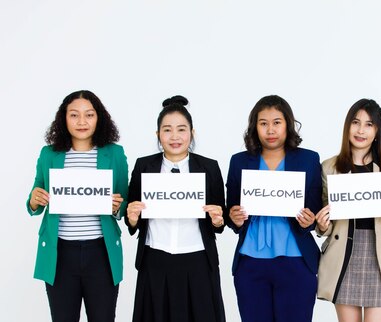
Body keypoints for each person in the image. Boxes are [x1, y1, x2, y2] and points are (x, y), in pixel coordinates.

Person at [26, 90, 128, 322]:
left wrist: (117, 206)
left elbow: (126, 203)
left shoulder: (114, 154)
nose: (82, 121)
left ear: (98, 118)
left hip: (101, 253)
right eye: (74, 115)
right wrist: (34, 199)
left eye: (89, 115)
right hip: (59, 253)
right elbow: (35, 197)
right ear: (64, 119)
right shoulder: (49, 154)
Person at [125, 95, 226, 322]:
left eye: (181, 129)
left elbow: (221, 220)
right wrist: (132, 218)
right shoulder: (144, 166)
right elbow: (132, 218)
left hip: (198, 260)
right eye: (167, 130)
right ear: (158, 135)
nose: (175, 137)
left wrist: (218, 220)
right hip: (155, 259)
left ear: (192, 133)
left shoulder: (209, 167)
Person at [225, 95, 323, 322]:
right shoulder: (239, 161)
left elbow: (316, 209)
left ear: (288, 124)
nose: (270, 130)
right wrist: (235, 218)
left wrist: (310, 220)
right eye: (263, 123)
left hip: (296, 262)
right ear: (255, 127)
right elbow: (231, 210)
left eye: (277, 122)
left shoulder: (308, 159)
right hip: (250, 263)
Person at [315, 99, 381, 322]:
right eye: (356, 122)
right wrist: (322, 224)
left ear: (377, 131)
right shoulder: (329, 167)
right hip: (344, 252)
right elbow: (324, 222)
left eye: (369, 124)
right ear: (347, 126)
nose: (361, 130)